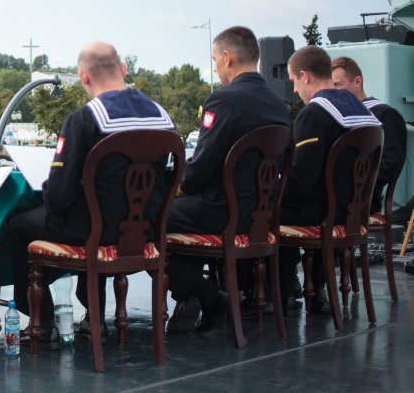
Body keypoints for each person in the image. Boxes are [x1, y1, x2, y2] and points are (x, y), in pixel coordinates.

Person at [6, 40, 175, 347]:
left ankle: (42, 322)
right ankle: (94, 318)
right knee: (94, 210)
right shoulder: (162, 118)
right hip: (146, 231)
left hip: (93, 232)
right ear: (124, 69)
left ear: (83, 77)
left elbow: (57, 197)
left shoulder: (83, 120)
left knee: (19, 226)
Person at [165, 26, 291, 332]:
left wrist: (171, 179)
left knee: (149, 217)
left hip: (221, 212)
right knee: (178, 215)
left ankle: (206, 295)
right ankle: (193, 295)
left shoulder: (223, 101)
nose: (216, 68)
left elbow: (197, 172)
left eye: (215, 60)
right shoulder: (279, 104)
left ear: (227, 57)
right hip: (261, 214)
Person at [277, 46, 381, 308]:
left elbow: (301, 180)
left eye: (293, 82)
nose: (294, 90)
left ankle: (282, 291)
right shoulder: (364, 113)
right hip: (352, 214)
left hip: (322, 215)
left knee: (267, 210)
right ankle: (318, 288)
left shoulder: (314, 114)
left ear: (305, 75)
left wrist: (270, 194)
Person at [331, 56, 408, 213]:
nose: (333, 92)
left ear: (357, 82)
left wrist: (354, 180)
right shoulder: (334, 117)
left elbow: (391, 162)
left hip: (361, 197)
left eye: (338, 85)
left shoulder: (385, 115)